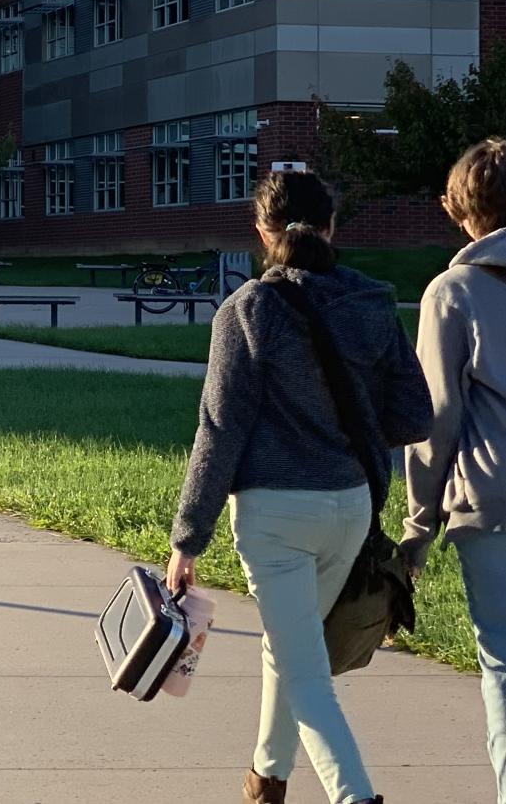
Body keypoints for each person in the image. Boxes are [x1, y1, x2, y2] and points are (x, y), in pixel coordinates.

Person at [166, 169, 429, 804]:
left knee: (306, 672)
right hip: (350, 507)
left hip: (274, 516)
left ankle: (355, 796)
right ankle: (266, 781)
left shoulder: (247, 310)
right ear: (333, 227)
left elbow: (220, 430)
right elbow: (415, 415)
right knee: (293, 651)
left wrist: (187, 539)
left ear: (261, 233)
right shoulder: (373, 301)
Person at [403, 136, 506, 802]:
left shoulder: (452, 291)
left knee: (501, 661)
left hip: (492, 503)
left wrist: (417, 522)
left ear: (458, 206)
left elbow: (434, 416)